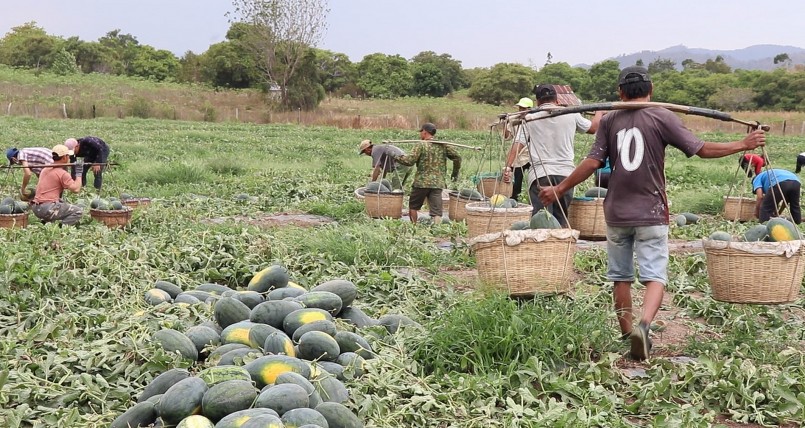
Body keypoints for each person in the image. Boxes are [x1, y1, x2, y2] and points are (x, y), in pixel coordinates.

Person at [538, 66, 766, 361]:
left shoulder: (611, 119)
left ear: (620, 92)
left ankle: (626, 333)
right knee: (654, 275)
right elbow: (701, 149)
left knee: (620, 277)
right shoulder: (662, 115)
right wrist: (742, 144)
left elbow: (593, 162)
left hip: (617, 213)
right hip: (651, 211)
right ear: (651, 89)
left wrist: (560, 188)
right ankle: (643, 326)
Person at [505, 84, 601, 225]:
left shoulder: (531, 117)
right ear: (557, 100)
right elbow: (593, 128)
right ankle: (561, 245)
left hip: (540, 175)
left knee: (542, 221)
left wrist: (508, 167)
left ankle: (546, 247)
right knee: (561, 217)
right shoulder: (571, 114)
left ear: (537, 102)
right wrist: (599, 112)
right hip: (565, 175)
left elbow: (517, 144)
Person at [394, 123, 461, 224]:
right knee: (436, 210)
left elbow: (409, 161)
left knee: (413, 206)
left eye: (421, 132)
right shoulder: (442, 145)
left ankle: (414, 227)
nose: (420, 134)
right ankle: (436, 229)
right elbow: (457, 157)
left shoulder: (421, 144)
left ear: (425, 132)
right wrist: (455, 173)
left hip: (421, 182)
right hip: (437, 183)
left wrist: (396, 157)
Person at [30, 144, 84, 226]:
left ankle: (45, 223)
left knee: (60, 204)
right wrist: (79, 173)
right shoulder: (62, 173)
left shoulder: (45, 169)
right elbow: (76, 189)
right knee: (78, 211)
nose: (69, 158)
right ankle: (61, 228)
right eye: (68, 156)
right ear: (64, 157)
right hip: (48, 208)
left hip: (36, 207)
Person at [503, 97, 534, 201]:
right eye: (520, 108)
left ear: (530, 109)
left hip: (530, 153)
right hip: (517, 154)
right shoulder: (514, 120)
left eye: (523, 108)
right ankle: (515, 198)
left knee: (533, 178)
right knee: (517, 180)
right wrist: (506, 123)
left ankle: (531, 198)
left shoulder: (534, 120)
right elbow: (507, 136)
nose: (521, 111)